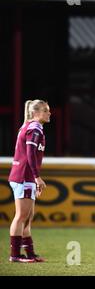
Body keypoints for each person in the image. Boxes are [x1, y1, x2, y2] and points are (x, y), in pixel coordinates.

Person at [8, 99, 50, 262]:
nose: (49, 113)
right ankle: (15, 255)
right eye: (45, 110)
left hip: (24, 176)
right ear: (36, 113)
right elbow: (30, 154)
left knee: (27, 216)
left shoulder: (30, 127)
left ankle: (30, 253)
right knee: (21, 216)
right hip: (23, 176)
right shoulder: (34, 129)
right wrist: (37, 177)